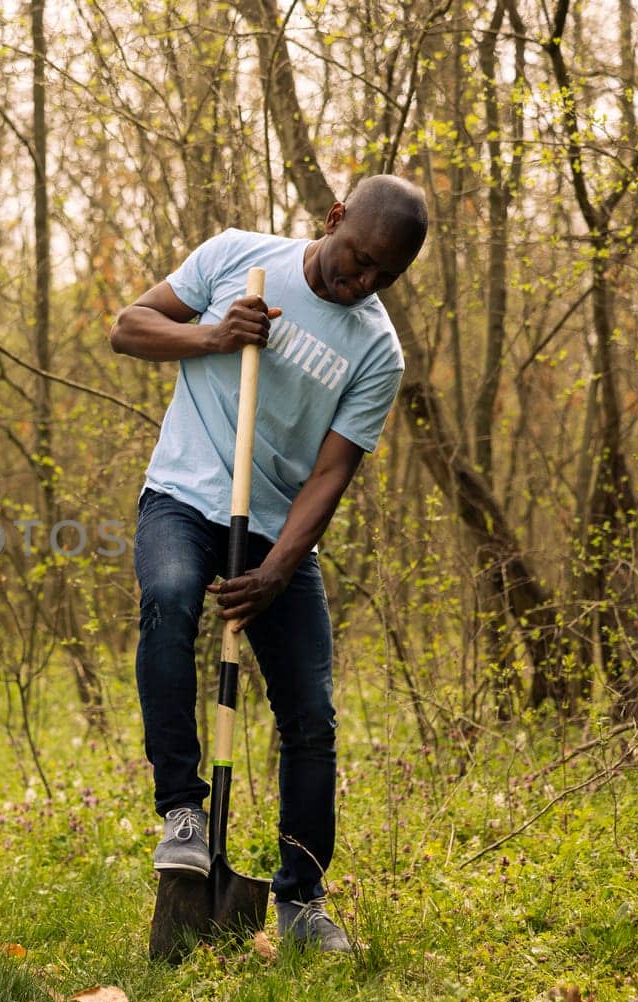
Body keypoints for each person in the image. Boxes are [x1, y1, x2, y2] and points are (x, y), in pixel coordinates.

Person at [109, 175, 429, 952]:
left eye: (383, 276)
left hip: (278, 531)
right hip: (184, 495)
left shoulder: (377, 351)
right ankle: (184, 812)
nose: (362, 282)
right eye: (358, 261)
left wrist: (280, 567)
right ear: (334, 219)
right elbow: (130, 326)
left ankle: (303, 898)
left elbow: (331, 472)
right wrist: (213, 336)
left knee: (310, 715)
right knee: (172, 597)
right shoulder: (237, 259)